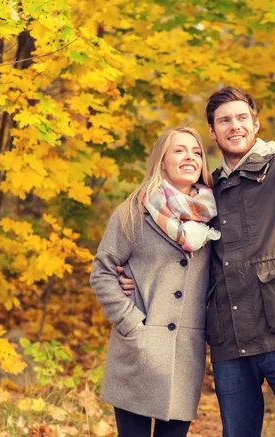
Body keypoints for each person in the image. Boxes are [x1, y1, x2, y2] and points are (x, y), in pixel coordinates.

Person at [120, 83, 275, 437]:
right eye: (224, 121)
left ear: (255, 124)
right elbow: (176, 248)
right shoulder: (207, 191)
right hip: (230, 339)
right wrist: (130, 273)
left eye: (241, 118)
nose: (234, 126)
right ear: (213, 131)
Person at [90, 127, 220, 437]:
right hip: (138, 350)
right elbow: (103, 271)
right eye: (179, 150)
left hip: (185, 354)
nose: (190, 156)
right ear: (161, 162)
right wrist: (132, 322)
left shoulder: (214, 215)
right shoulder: (133, 211)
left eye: (196, 151)